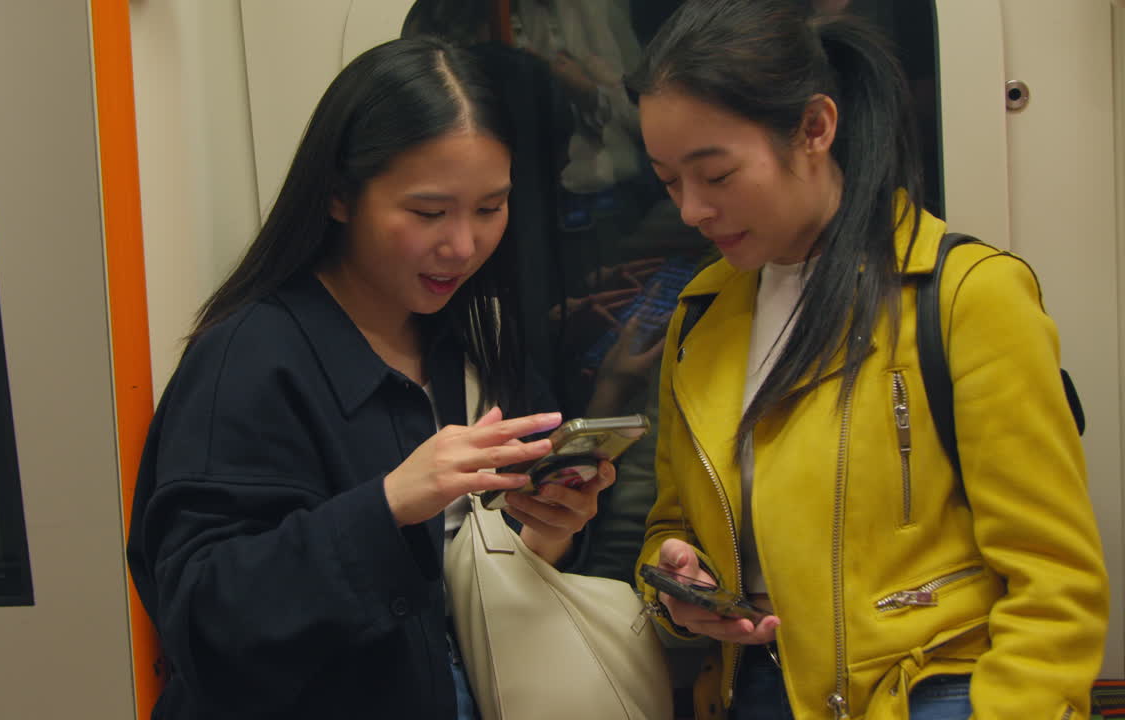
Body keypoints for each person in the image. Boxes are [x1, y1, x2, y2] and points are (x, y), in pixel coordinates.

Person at [627, 2, 1109, 719]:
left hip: (932, 690)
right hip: (753, 687)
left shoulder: (964, 297)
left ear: (815, 129)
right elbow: (669, 527)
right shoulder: (703, 316)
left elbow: (1054, 582)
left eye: (717, 175)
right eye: (669, 182)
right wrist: (679, 592)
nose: (693, 209)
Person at [126, 37, 616, 719]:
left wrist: (552, 528)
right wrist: (388, 504)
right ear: (338, 196)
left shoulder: (478, 339)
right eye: (427, 213)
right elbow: (206, 618)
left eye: (489, 208)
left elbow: (489, 582)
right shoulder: (249, 359)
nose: (463, 245)